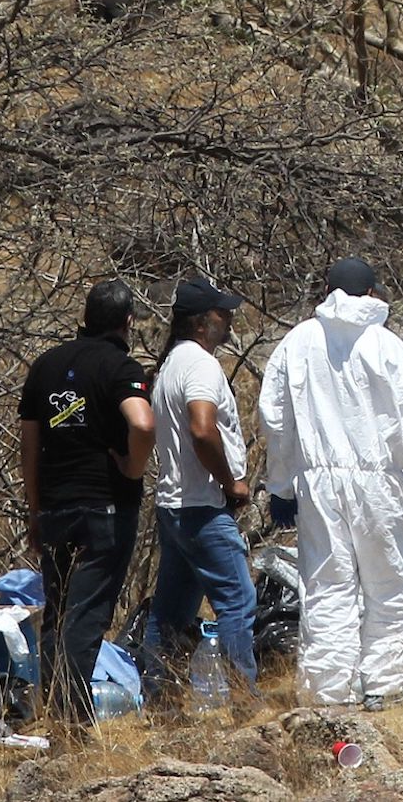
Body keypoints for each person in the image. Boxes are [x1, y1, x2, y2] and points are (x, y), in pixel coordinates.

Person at [257, 257, 403, 711]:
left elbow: (274, 419)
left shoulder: (297, 341)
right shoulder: (385, 344)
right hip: (379, 482)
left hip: (318, 483)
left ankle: (328, 691)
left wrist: (281, 485)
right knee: (390, 582)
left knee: (327, 585)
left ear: (326, 289)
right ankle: (384, 683)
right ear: (371, 293)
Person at [19, 280, 154, 724]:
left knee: (57, 613)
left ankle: (53, 713)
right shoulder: (120, 367)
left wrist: (36, 508)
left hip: (56, 507)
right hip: (105, 508)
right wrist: (133, 469)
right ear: (127, 321)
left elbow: (29, 444)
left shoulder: (46, 366)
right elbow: (143, 422)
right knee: (87, 615)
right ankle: (74, 721)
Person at [145, 278, 257, 696]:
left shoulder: (171, 363)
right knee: (238, 602)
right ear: (200, 322)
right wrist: (231, 482)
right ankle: (244, 700)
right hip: (203, 507)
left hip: (173, 505)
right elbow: (202, 428)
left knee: (170, 612)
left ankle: (159, 699)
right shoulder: (200, 365)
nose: (228, 319)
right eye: (220, 313)